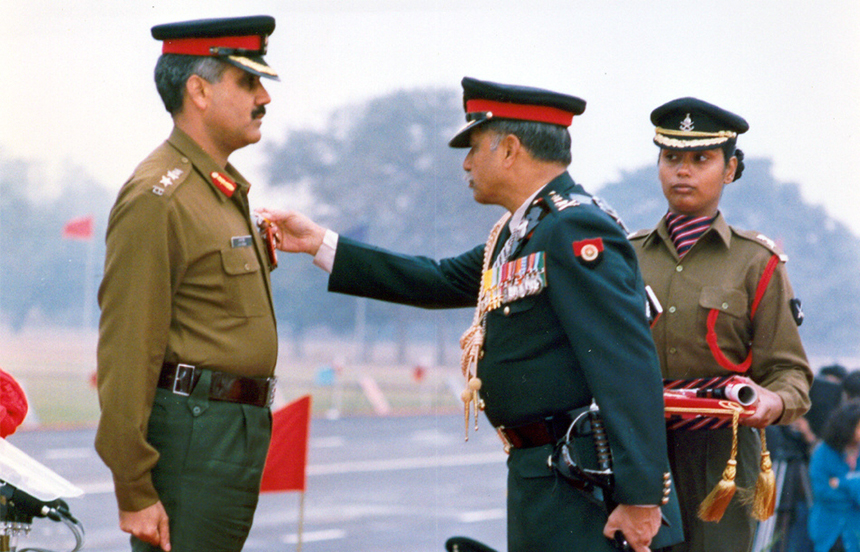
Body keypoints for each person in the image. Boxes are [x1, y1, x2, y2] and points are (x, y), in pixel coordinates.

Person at [259, 77, 681, 551]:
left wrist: (642, 498)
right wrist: (319, 243)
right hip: (544, 472)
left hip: (587, 482)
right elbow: (438, 279)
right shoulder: (520, 232)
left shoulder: (572, 228)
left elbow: (626, 364)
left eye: (474, 147)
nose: (466, 163)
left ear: (510, 150)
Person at [94, 16, 280, 552]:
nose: (264, 97)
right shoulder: (159, 197)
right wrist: (134, 488)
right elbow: (128, 346)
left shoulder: (217, 190)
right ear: (198, 91)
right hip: (194, 436)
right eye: (247, 81)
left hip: (228, 431)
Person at [628, 97, 813, 551]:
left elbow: (790, 371)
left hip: (723, 460)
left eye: (701, 159)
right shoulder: (626, 257)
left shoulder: (756, 262)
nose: (682, 171)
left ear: (729, 170)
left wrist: (774, 401)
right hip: (637, 451)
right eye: (671, 158)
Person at [808, 403, 860, 552]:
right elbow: (822, 491)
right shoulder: (823, 451)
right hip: (830, 532)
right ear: (847, 429)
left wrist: (842, 482)